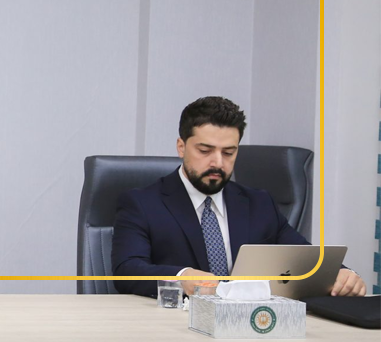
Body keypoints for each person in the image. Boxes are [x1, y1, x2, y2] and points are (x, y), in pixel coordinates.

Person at [111, 96, 365, 298]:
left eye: (228, 152)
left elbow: (303, 258)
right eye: (205, 150)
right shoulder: (142, 203)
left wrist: (341, 274)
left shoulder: (259, 203)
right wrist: (182, 277)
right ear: (181, 147)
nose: (217, 163)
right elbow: (127, 270)